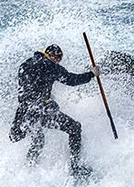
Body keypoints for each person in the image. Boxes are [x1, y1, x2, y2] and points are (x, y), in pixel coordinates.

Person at [9, 44, 100, 179]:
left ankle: (28, 170)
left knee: (38, 140)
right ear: (55, 57)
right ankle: (75, 168)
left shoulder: (26, 64)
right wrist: (92, 74)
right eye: (58, 59)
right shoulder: (50, 66)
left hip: (23, 113)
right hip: (39, 111)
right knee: (74, 128)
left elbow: (30, 91)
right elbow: (71, 80)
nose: (58, 62)